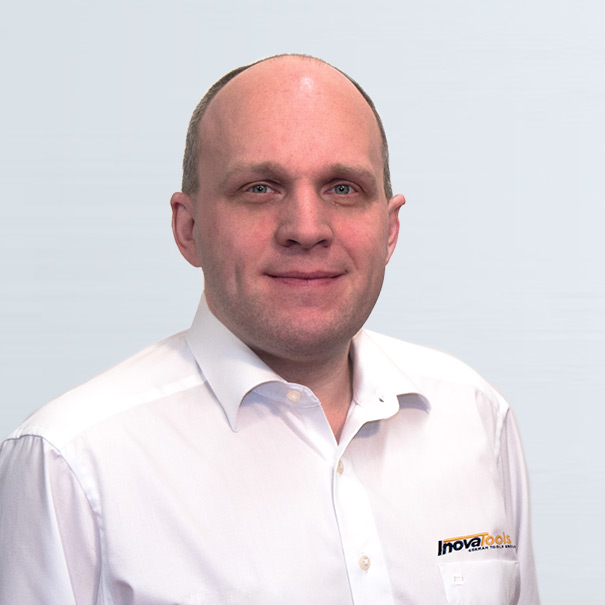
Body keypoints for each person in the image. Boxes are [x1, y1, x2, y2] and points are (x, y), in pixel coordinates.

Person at [0, 54, 539, 604]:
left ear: (390, 229)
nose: (306, 229)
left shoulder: (476, 418)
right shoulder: (70, 465)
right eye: (260, 188)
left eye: (343, 188)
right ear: (188, 228)